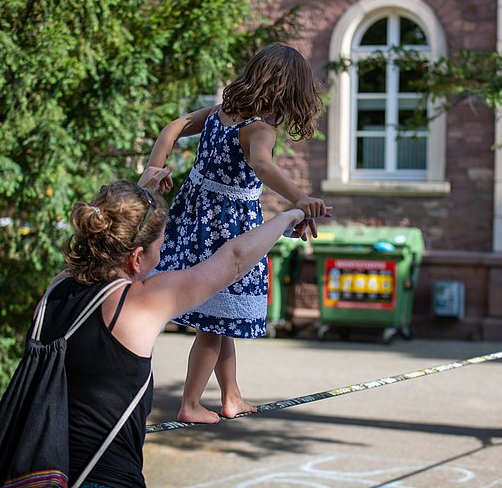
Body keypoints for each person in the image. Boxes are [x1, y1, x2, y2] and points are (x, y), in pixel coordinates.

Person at [37, 167, 308, 487]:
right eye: (162, 245)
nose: (165, 251)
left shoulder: (59, 285)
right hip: (101, 477)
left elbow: (113, 239)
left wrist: (142, 194)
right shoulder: (138, 304)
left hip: (37, 469)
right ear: (137, 258)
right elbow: (234, 260)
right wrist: (292, 213)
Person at [142, 43, 331, 424]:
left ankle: (231, 396)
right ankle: (191, 403)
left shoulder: (220, 114)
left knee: (220, 317)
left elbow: (173, 127)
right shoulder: (260, 129)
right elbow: (261, 164)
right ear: (289, 92)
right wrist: (301, 198)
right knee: (214, 325)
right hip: (227, 231)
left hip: (194, 219)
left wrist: (154, 168)